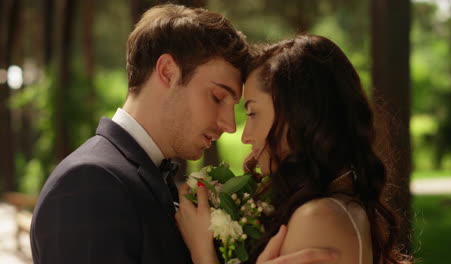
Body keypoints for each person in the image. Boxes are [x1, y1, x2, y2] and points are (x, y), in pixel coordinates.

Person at [30, 5, 337, 264]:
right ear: (167, 71)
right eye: (217, 97)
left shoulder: (146, 179)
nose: (230, 125)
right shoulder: (88, 185)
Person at [176, 34, 413, 264]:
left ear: (298, 115)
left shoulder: (316, 218)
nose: (247, 136)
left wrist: (203, 253)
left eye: (253, 113)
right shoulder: (340, 204)